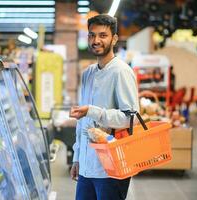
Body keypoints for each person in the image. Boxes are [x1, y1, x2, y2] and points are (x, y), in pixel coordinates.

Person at [69, 14, 139, 200]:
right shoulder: (88, 74)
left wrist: (92, 111)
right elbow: (81, 121)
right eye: (92, 35)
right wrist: (77, 158)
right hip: (86, 167)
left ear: (114, 39)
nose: (96, 40)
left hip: (111, 168)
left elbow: (130, 118)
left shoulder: (121, 72)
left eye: (102, 35)